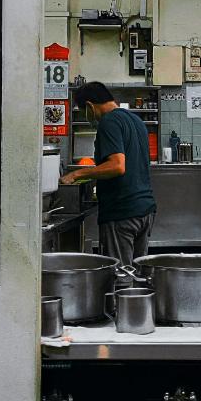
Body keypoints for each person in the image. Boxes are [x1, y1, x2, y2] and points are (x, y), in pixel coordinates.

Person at [60, 81, 156, 268]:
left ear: (89, 105)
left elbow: (117, 166)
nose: (86, 117)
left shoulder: (109, 122)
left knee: (121, 276)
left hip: (122, 213)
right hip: (144, 210)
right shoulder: (135, 120)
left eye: (83, 111)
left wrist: (76, 174)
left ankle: (121, 299)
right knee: (137, 274)